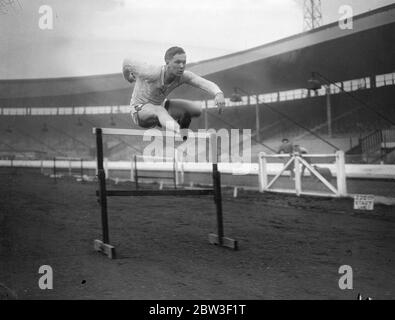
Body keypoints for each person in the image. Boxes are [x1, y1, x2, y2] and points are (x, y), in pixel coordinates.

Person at [122, 46, 225, 138]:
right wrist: (129, 78)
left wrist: (218, 93)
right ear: (167, 62)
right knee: (159, 110)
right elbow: (127, 62)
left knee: (195, 109)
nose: (181, 66)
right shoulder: (151, 72)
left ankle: (166, 121)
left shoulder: (183, 76)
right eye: (177, 62)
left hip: (160, 105)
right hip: (139, 110)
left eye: (184, 62)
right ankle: (177, 128)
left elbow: (202, 83)